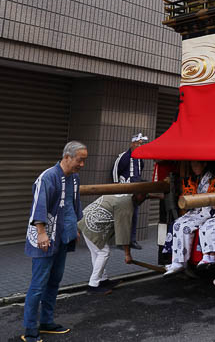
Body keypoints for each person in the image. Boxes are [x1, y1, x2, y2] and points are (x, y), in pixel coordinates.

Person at [20, 141, 86, 342]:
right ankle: (30, 329)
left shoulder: (74, 178)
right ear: (67, 157)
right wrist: (41, 233)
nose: (82, 164)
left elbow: (72, 206)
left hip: (62, 237)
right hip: (45, 238)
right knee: (38, 284)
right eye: (80, 160)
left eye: (84, 160)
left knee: (54, 281)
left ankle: (47, 322)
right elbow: (38, 206)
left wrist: (74, 228)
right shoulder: (47, 177)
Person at [78, 192, 148, 294]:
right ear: (139, 194)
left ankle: (103, 280)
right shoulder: (126, 204)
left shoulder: (126, 193)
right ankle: (93, 285)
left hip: (87, 218)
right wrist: (127, 254)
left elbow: (145, 194)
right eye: (144, 196)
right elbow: (123, 231)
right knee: (103, 252)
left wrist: (159, 196)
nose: (144, 199)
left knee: (97, 253)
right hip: (92, 223)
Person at [164, 161, 215, 275]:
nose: (194, 168)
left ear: (204, 164)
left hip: (206, 212)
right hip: (196, 210)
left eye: (196, 165)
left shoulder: (212, 179)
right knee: (177, 224)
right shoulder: (197, 178)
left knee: (186, 227)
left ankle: (182, 262)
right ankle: (176, 261)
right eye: (192, 166)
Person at [112, 133, 148, 249]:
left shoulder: (139, 158)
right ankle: (121, 242)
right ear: (132, 143)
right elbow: (115, 171)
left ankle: (132, 240)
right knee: (123, 217)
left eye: (141, 144)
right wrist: (117, 187)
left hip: (136, 190)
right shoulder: (124, 156)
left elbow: (140, 171)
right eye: (138, 143)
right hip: (125, 190)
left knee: (134, 216)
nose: (140, 146)